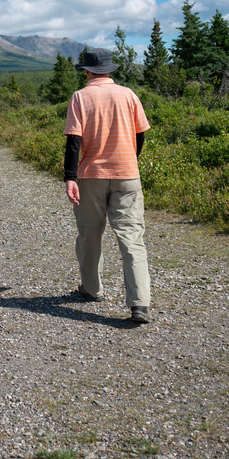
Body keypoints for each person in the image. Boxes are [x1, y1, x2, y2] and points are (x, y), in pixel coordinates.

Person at [63, 47, 152, 324]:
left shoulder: (80, 97)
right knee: (132, 239)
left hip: (91, 176)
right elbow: (139, 135)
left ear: (87, 71)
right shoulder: (129, 95)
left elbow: (74, 141)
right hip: (127, 174)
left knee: (90, 234)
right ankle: (139, 305)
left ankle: (92, 290)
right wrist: (128, 162)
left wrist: (70, 177)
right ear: (110, 70)